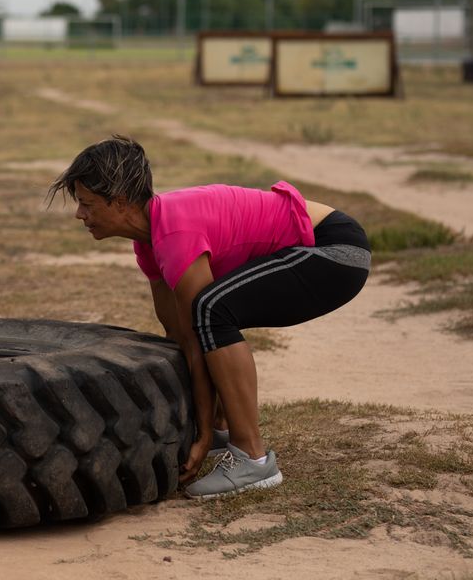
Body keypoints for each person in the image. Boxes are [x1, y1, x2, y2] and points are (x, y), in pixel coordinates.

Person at [49, 135, 370, 499]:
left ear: (120, 202)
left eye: (87, 204)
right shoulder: (148, 243)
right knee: (206, 316)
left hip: (334, 251)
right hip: (317, 253)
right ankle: (223, 433)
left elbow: (201, 326)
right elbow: (179, 332)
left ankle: (252, 459)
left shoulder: (175, 231)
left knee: (212, 309)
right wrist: (198, 426)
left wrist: (199, 434)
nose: (80, 214)